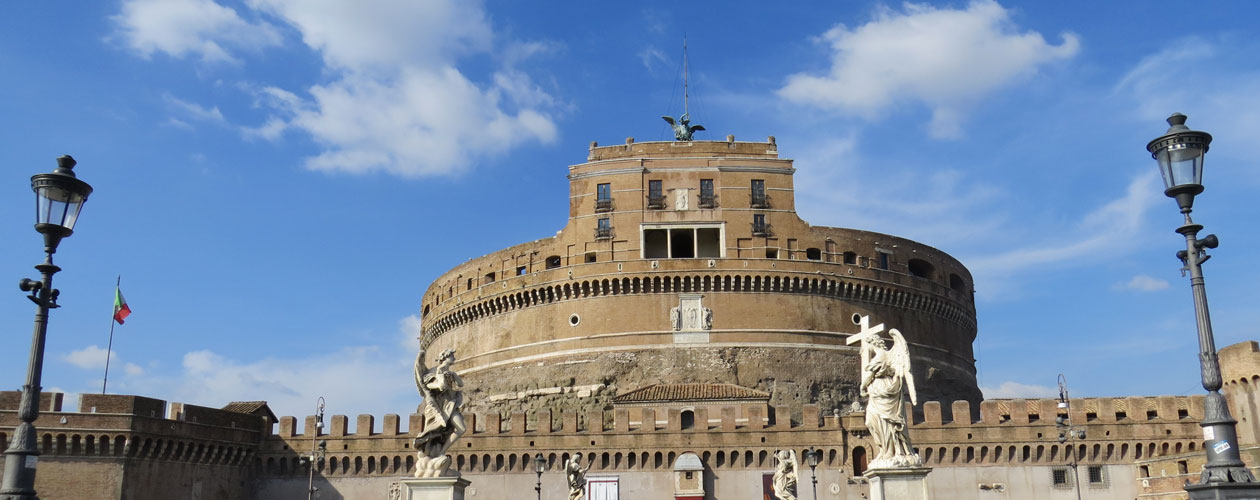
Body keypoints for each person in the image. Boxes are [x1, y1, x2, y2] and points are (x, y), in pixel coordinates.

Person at [859, 330, 920, 468]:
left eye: (868, 345)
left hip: (883, 389)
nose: (868, 348)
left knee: (886, 421)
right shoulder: (880, 356)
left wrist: (862, 387)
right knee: (871, 421)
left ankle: (890, 451)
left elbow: (869, 375)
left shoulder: (881, 356)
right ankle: (884, 449)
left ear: (873, 343)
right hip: (878, 392)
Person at [414, 348, 466, 465]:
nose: (454, 358)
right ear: (445, 358)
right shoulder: (434, 371)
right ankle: (429, 455)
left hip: (450, 404)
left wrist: (453, 375)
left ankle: (442, 452)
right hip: (437, 406)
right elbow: (428, 386)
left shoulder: (450, 373)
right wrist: (439, 381)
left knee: (461, 429)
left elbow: (460, 384)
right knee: (432, 433)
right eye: (452, 356)